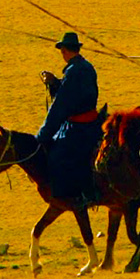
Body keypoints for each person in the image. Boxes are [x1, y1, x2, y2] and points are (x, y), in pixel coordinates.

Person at [37, 31, 101, 202]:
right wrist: (55, 83)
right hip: (91, 121)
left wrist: (42, 135)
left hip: (79, 127)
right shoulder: (86, 67)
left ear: (65, 51)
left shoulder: (73, 71)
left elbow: (61, 106)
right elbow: (74, 94)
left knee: (57, 155)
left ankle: (71, 196)